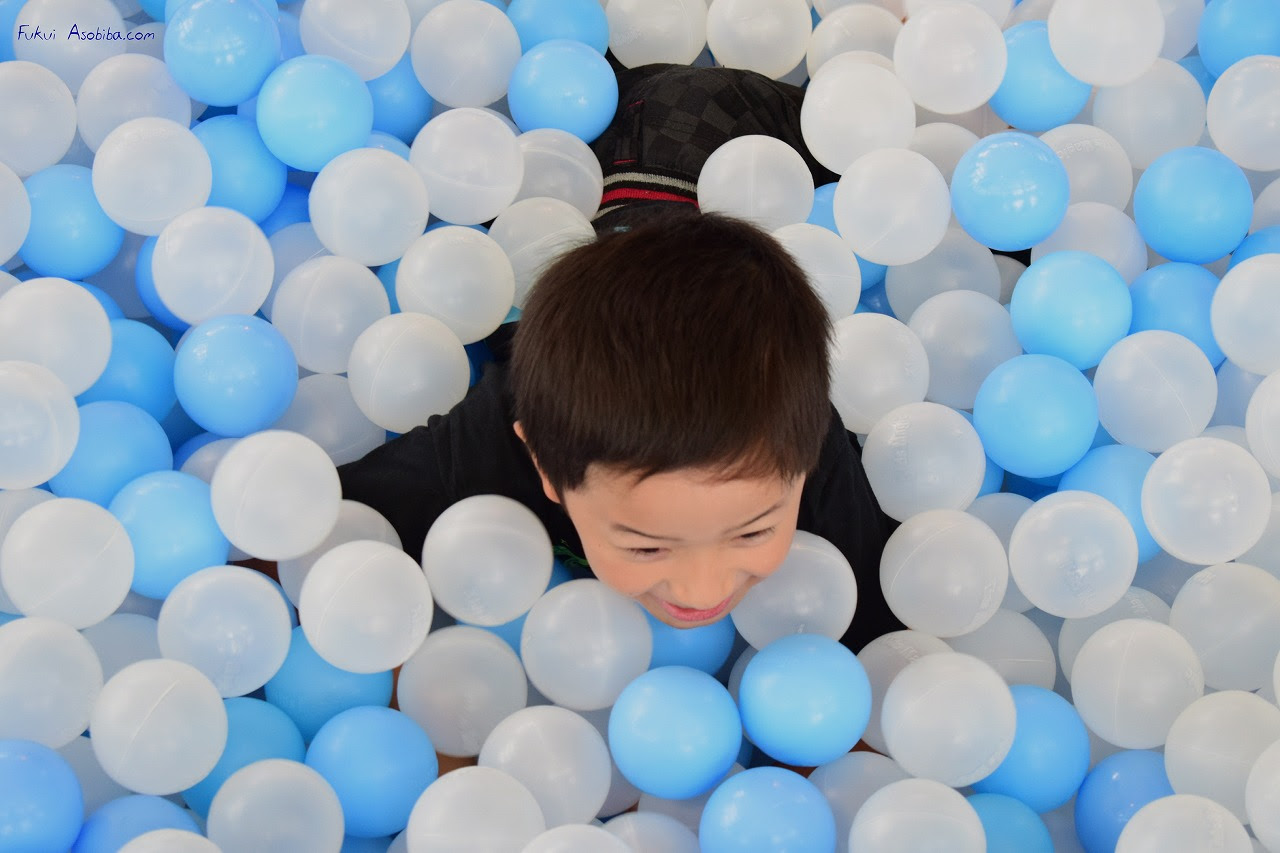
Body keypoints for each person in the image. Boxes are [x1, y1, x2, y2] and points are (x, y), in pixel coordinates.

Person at [337, 63, 903, 653]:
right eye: (646, 545)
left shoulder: (799, 431)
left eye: (753, 531)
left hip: (712, 149)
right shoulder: (496, 437)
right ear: (543, 461)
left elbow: (877, 626)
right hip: (664, 142)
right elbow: (331, 523)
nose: (702, 589)